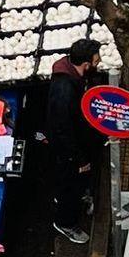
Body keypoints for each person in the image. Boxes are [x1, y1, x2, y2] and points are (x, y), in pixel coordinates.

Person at [43, 36, 106, 244]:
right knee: (70, 185)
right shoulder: (65, 90)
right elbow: (62, 130)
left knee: (72, 181)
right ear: (85, 64)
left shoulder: (74, 75)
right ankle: (65, 222)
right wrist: (78, 159)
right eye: (95, 60)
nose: (98, 63)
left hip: (78, 141)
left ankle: (71, 197)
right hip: (70, 149)